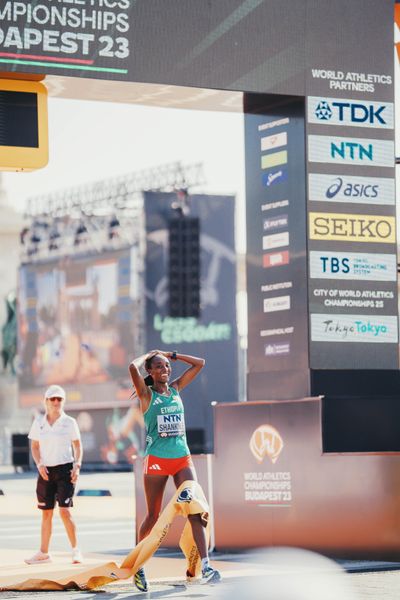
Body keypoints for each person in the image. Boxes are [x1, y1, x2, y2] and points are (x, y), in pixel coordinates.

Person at [129, 350, 221, 591]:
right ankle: (139, 567)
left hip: (182, 459)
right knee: (152, 515)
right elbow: (131, 367)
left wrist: (174, 355)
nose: (165, 370)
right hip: (157, 461)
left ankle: (206, 565)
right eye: (159, 366)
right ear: (150, 371)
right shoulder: (146, 394)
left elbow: (201, 362)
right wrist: (148, 355)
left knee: (195, 508)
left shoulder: (176, 389)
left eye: (167, 366)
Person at [25, 384, 83, 565]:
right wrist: (39, 464)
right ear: (46, 401)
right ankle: (44, 553)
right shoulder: (38, 422)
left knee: (64, 511)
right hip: (45, 471)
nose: (56, 402)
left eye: (59, 399)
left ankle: (76, 551)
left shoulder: (69, 422)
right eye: (53, 399)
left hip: (65, 470)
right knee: (46, 513)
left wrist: (77, 465)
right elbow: (34, 446)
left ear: (63, 401)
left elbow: (77, 445)